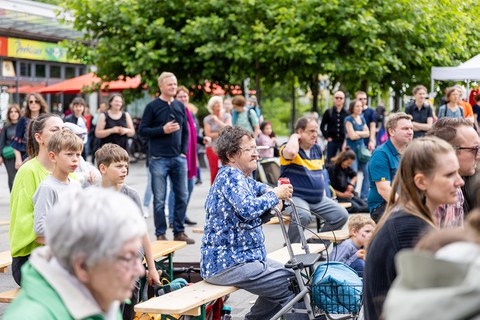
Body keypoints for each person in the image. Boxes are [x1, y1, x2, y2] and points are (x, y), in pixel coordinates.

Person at [201, 126, 307, 320]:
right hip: (229, 263)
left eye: (255, 148)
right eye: (250, 149)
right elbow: (248, 209)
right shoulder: (230, 176)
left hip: (246, 259)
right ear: (232, 155)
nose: (256, 154)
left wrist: (273, 193)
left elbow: (261, 188)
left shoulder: (242, 178)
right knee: (292, 283)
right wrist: (276, 194)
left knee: (292, 277)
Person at [4, 188, 147, 319]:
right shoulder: (32, 316)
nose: (140, 270)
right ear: (83, 266)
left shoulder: (103, 294)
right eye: (128, 258)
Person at [363, 136, 465, 320]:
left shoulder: (406, 217)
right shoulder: (410, 227)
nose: (460, 181)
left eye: (457, 173)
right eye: (450, 174)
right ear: (421, 182)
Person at [95, 143, 160, 318]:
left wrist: (152, 268)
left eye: (126, 166)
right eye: (118, 166)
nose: (124, 170)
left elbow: (142, 233)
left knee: (127, 310)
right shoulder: (91, 195)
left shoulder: (131, 195)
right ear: (103, 168)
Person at [9, 113, 65, 285]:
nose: (62, 133)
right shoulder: (28, 172)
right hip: (31, 260)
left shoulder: (70, 173)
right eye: (55, 129)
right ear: (39, 137)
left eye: (64, 129)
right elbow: (22, 224)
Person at [139, 72, 194, 244]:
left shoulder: (179, 106)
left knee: (182, 196)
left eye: (175, 84)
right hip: (158, 159)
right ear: (161, 86)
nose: (173, 87)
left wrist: (183, 151)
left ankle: (179, 231)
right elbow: (142, 131)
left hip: (178, 158)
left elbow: (186, 130)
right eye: (170, 84)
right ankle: (160, 234)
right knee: (159, 199)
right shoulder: (152, 106)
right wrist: (162, 130)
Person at [280, 116, 348, 243]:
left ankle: (315, 245)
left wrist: (323, 192)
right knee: (303, 215)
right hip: (295, 197)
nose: (315, 135)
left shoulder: (317, 149)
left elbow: (321, 173)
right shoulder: (288, 147)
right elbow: (291, 151)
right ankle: (292, 250)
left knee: (341, 215)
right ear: (300, 132)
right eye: (311, 131)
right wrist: (295, 136)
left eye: (316, 131)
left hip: (317, 199)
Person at [427, 118, 480, 225]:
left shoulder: (456, 189)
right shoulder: (430, 198)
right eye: (475, 149)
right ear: (449, 151)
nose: (478, 156)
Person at [33, 130, 83, 244]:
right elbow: (40, 227)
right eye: (69, 154)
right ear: (53, 156)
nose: (75, 159)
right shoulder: (48, 187)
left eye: (78, 154)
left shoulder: (75, 185)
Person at [367, 112, 413, 222]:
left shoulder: (409, 151)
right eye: (405, 128)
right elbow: (384, 190)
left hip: (402, 202)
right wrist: (409, 208)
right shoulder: (381, 154)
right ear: (391, 131)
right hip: (384, 205)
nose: (410, 132)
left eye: (411, 128)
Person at [11, 93, 48, 168]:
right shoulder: (23, 119)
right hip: (26, 156)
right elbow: (16, 142)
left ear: (40, 103)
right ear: (28, 104)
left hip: (44, 155)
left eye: (36, 101)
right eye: (31, 102)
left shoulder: (46, 119)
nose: (33, 104)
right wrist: (18, 159)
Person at [327, 149, 368, 213]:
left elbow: (354, 175)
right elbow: (329, 187)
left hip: (347, 194)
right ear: (343, 159)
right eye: (348, 163)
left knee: (363, 203)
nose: (349, 165)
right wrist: (342, 195)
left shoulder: (345, 167)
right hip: (337, 196)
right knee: (356, 207)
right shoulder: (332, 168)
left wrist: (351, 185)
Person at [344, 99, 370, 201]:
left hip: (362, 151)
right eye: (357, 106)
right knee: (353, 173)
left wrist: (357, 133)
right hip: (352, 151)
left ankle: (364, 196)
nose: (360, 108)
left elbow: (367, 133)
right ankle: (352, 196)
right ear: (352, 108)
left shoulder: (362, 118)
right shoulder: (348, 119)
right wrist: (361, 133)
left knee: (368, 172)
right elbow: (351, 136)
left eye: (360, 106)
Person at [204, 95, 232, 185]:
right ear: (212, 106)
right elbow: (208, 134)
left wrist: (217, 121)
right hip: (212, 147)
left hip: (226, 146)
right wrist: (222, 132)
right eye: (216, 103)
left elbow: (229, 129)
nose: (218, 104)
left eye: (219, 102)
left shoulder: (227, 116)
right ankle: (214, 191)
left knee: (228, 170)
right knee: (214, 171)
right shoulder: (207, 119)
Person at [320, 90, 348, 163]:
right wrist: (326, 137)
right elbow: (322, 126)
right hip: (332, 141)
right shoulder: (328, 112)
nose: (339, 99)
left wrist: (346, 140)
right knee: (330, 162)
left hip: (343, 141)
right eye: (337, 97)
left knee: (343, 161)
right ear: (334, 99)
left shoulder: (347, 113)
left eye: (341, 98)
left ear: (344, 100)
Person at [0, 104, 21, 190]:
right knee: (12, 178)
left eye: (15, 111)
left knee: (21, 177)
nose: (13, 113)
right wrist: (0, 156)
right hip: (9, 157)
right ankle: (13, 197)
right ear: (8, 114)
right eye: (11, 112)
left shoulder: (23, 126)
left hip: (21, 155)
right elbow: (1, 142)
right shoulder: (6, 127)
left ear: (19, 113)